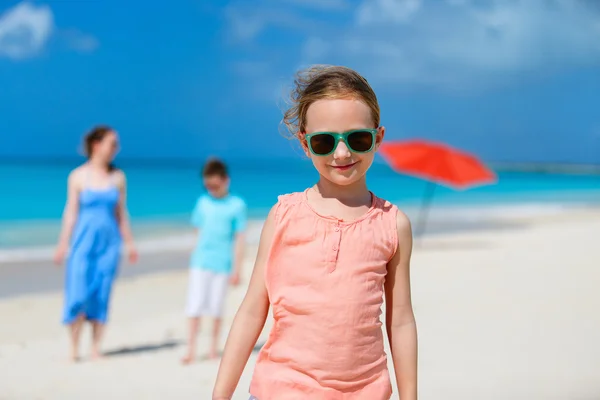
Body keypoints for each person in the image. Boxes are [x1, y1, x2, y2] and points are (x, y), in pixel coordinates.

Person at [212, 65, 418, 400]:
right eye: (324, 141)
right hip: (280, 389)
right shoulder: (285, 215)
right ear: (305, 144)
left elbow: (401, 321)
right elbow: (252, 309)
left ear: (377, 138)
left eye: (358, 138)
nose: (342, 153)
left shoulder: (393, 224)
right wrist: (220, 394)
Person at [54, 125, 138, 362]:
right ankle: (74, 348)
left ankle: (95, 348)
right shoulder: (78, 176)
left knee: (101, 293)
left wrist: (130, 243)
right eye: (112, 143)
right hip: (83, 243)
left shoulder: (118, 177)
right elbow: (71, 211)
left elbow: (122, 213)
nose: (116, 149)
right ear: (96, 144)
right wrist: (62, 244)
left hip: (109, 244)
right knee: (77, 292)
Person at [181, 158, 247, 364]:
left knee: (217, 307)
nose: (211, 189)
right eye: (208, 185)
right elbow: (197, 232)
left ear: (225, 180)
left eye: (215, 185)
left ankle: (212, 348)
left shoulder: (237, 205)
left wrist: (237, 269)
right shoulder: (202, 203)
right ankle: (191, 348)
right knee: (195, 305)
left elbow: (239, 239)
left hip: (223, 263)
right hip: (200, 262)